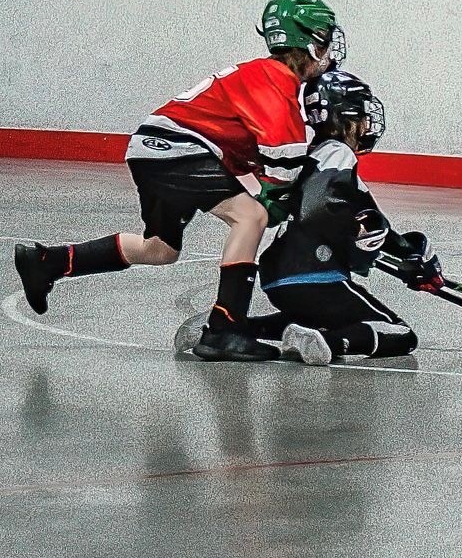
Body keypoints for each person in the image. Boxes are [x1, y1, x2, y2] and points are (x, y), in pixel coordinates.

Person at [12, 0, 344, 361]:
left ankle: (48, 262)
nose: (329, 49)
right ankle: (225, 330)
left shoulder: (258, 74)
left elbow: (251, 153)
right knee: (251, 217)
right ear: (309, 43)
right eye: (325, 38)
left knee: (160, 249)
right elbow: (284, 161)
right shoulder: (274, 80)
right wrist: (284, 197)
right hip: (176, 151)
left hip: (153, 149)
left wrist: (271, 188)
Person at [173, 70, 444, 365]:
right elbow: (322, 208)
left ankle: (224, 328)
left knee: (313, 318)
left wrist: (407, 254)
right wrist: (361, 239)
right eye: (363, 115)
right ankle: (327, 342)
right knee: (401, 333)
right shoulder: (338, 154)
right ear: (347, 119)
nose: (367, 124)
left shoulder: (311, 158)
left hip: (281, 276)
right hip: (316, 272)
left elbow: (363, 218)